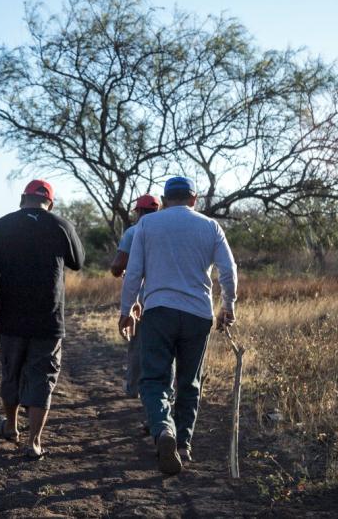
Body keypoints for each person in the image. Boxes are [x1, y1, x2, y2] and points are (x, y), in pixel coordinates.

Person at [118, 176, 237, 475]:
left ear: (165, 198)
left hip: (158, 312)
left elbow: (133, 272)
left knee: (154, 379)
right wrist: (228, 306)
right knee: (190, 381)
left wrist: (126, 309)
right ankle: (183, 444)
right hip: (198, 313)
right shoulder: (210, 226)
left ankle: (162, 430)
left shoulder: (147, 225)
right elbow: (228, 269)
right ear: (194, 199)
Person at [0, 179, 84, 460]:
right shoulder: (61, 225)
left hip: (12, 316)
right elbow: (78, 261)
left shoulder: (3, 225)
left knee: (11, 371)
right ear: (51, 202)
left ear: (23, 198)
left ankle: (11, 426)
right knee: (42, 375)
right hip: (48, 319)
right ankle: (34, 441)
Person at [109, 194, 162, 399]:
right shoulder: (165, 231)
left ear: (138, 212)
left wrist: (118, 272)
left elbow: (117, 266)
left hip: (139, 301)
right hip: (163, 299)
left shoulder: (133, 232)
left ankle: (134, 388)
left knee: (138, 345)